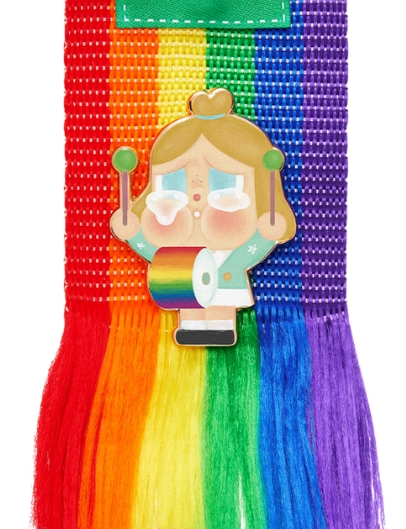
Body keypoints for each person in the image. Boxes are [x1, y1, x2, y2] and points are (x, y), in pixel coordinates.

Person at [110, 88, 296, 346]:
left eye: (224, 181)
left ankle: (221, 329)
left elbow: (252, 249)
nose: (197, 195)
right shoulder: (171, 245)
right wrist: (133, 232)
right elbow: (154, 250)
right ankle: (192, 328)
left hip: (226, 282)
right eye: (174, 181)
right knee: (191, 308)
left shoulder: (237, 249)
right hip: (182, 279)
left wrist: (267, 233)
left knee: (221, 306)